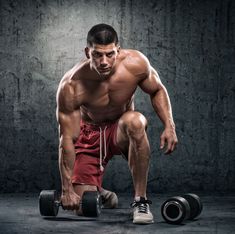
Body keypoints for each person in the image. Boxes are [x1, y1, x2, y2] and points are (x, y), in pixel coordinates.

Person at [56, 23, 178, 224]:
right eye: (97, 55)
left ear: (118, 50)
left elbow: (157, 89)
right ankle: (102, 193)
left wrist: (169, 125)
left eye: (110, 54)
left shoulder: (135, 64)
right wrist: (66, 190)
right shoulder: (71, 85)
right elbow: (67, 139)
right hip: (90, 135)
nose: (104, 61)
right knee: (81, 207)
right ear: (88, 52)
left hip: (121, 128)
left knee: (136, 121)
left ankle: (140, 201)